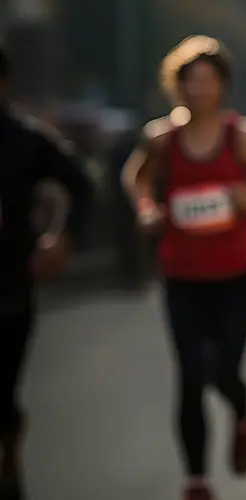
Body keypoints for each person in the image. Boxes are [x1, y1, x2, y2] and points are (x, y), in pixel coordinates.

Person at [121, 36, 246, 500]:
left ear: (222, 86)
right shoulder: (162, 138)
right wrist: (145, 208)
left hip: (238, 276)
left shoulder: (244, 137)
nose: (198, 88)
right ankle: (196, 480)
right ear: (176, 85)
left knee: (223, 373)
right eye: (189, 80)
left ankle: (241, 413)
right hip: (182, 277)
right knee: (189, 376)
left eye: (208, 80)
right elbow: (136, 178)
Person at [0, 42, 94, 500]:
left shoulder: (26, 141)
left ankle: (9, 457)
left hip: (8, 288)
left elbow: (81, 184)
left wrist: (63, 237)